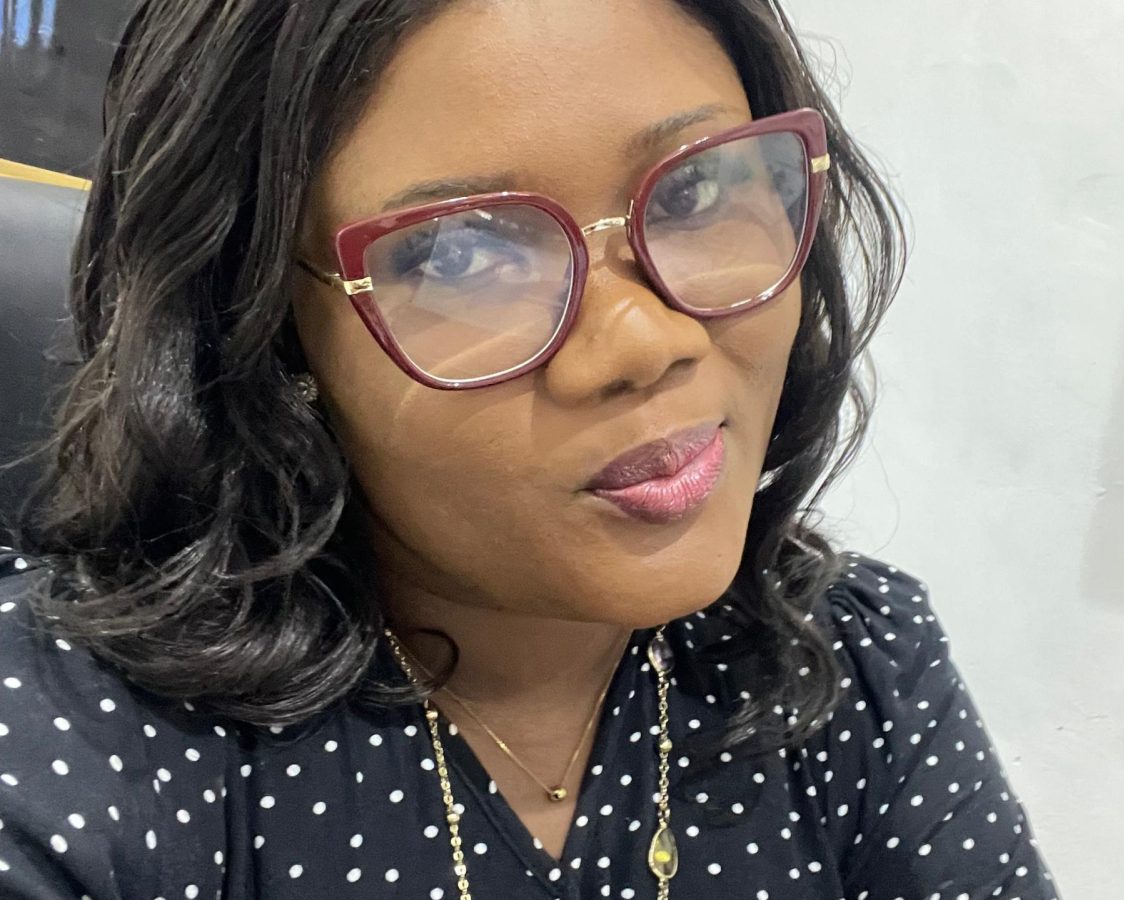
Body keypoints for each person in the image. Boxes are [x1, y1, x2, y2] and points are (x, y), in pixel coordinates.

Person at [0, 0, 1060, 897]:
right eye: (460, 253)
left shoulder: (854, 665)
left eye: (694, 191)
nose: (644, 341)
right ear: (268, 327)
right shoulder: (81, 744)